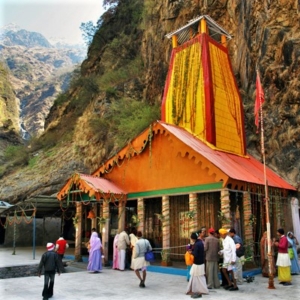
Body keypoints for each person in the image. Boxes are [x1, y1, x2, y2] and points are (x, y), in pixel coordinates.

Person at [186, 230, 209, 298]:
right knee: (199, 277)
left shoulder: (196, 244)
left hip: (197, 263)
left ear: (193, 238)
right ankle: (199, 289)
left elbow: (195, 254)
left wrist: (190, 252)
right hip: (201, 262)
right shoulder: (200, 242)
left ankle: (195, 290)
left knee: (195, 276)